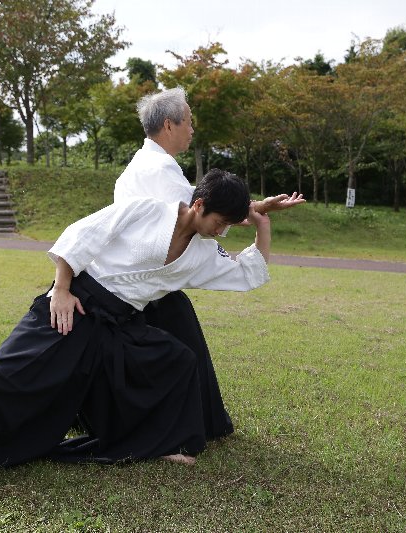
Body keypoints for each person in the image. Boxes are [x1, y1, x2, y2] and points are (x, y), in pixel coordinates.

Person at [0, 169, 271, 489]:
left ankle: (163, 443)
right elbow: (82, 235)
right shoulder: (148, 210)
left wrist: (261, 224)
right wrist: (60, 290)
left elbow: (247, 273)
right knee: (6, 376)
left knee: (177, 360)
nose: (222, 231)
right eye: (220, 222)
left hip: (121, 323)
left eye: (228, 226)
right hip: (76, 303)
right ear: (199, 204)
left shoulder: (204, 252)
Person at [113, 87, 304, 441]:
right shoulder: (157, 170)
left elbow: (201, 204)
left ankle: (205, 422)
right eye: (190, 121)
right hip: (142, 288)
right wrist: (257, 212)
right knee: (181, 355)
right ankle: (192, 426)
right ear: (169, 125)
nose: (193, 128)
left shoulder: (151, 166)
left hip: (153, 284)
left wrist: (255, 208)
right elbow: (199, 208)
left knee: (186, 344)